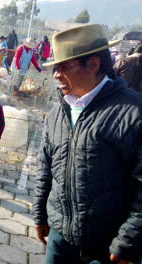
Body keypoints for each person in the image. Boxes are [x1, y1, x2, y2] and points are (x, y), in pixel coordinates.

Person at [34, 24, 142, 264]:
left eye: (64, 67)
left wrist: (129, 240)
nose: (56, 74)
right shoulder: (57, 113)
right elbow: (45, 168)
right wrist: (40, 215)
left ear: (93, 64)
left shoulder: (133, 112)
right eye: (55, 67)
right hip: (59, 237)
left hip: (107, 247)